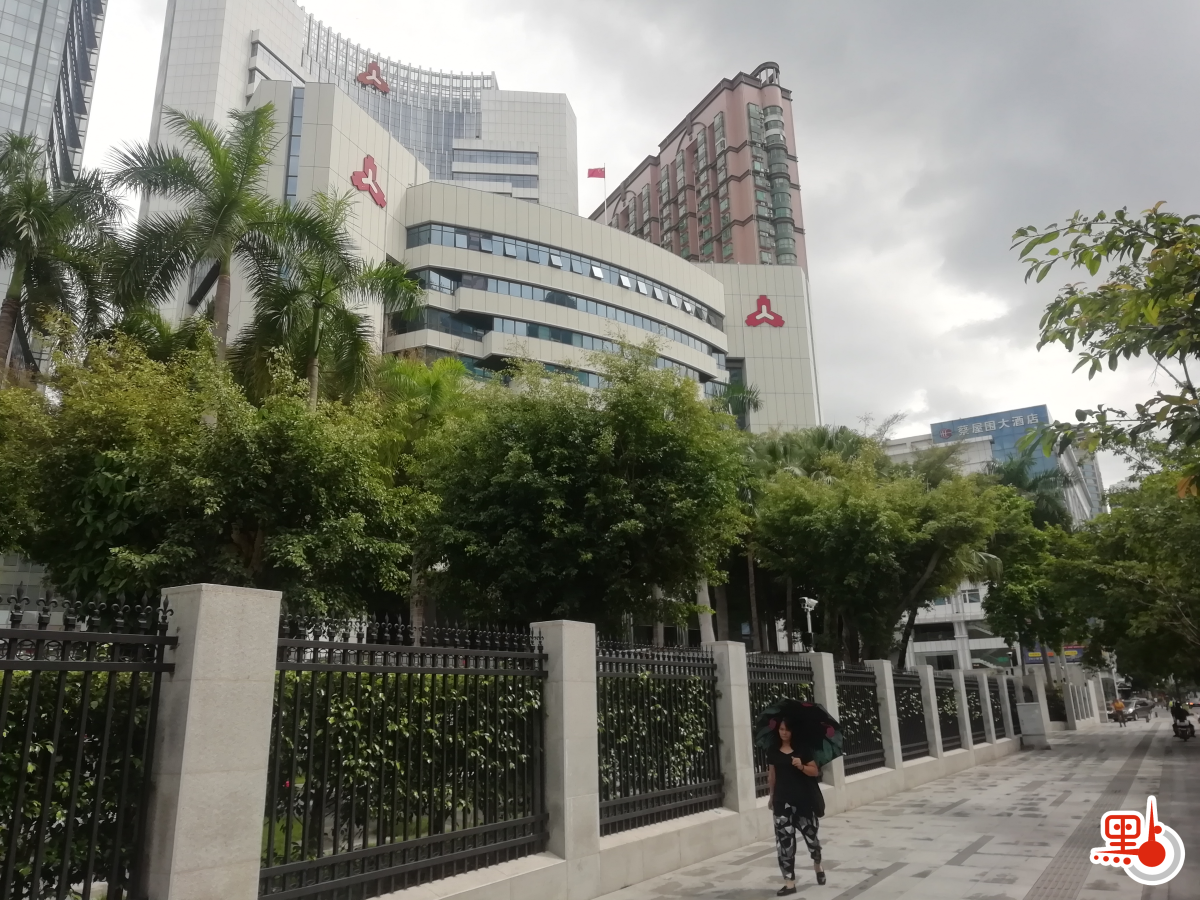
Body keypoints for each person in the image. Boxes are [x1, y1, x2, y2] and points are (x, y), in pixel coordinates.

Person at [768, 717, 826, 895]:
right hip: (781, 802)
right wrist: (771, 797)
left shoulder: (803, 749)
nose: (784, 733)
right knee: (784, 843)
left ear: (793, 731)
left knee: (812, 839)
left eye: (787, 729)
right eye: (781, 729)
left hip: (803, 802)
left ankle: (817, 864)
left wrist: (801, 766)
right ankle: (790, 883)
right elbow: (772, 775)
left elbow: (814, 771)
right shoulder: (773, 750)